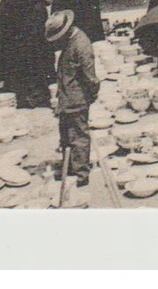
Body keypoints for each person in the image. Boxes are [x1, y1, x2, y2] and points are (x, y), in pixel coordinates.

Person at [46, 10, 99, 186]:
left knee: (79, 136)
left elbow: (90, 76)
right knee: (66, 135)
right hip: (67, 97)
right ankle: (69, 167)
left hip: (77, 99)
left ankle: (81, 174)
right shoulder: (71, 41)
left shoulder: (81, 44)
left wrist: (90, 95)